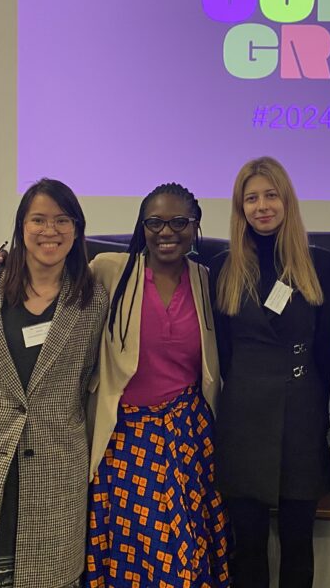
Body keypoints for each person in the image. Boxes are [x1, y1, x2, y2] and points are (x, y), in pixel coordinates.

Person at [0, 178, 107, 588]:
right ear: (21, 226)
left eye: (63, 220)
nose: (51, 231)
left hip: (54, 466)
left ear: (78, 229)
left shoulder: (93, 297)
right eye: (39, 220)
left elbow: (88, 381)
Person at [83, 183, 229, 588]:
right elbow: (46, 271)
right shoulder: (109, 270)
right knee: (131, 548)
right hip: (125, 437)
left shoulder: (205, 279)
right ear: (142, 226)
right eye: (155, 222)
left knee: (182, 548)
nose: (167, 232)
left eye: (179, 222)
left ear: (195, 226)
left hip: (187, 435)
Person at [208, 156, 330, 588]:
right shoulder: (222, 266)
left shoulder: (319, 264)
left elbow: (326, 346)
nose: (262, 206)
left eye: (270, 195)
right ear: (240, 208)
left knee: (298, 540)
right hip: (243, 415)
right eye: (251, 198)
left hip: (302, 412)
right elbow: (222, 350)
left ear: (286, 200)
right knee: (246, 541)